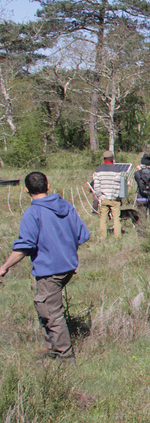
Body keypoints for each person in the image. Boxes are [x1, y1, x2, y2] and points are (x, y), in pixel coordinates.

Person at [0, 172, 90, 362]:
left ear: (26, 190)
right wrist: (68, 253)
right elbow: (82, 234)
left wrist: (5, 266)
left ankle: (64, 358)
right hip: (68, 267)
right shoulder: (66, 206)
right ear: (48, 186)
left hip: (50, 271)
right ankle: (51, 347)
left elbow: (25, 246)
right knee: (44, 305)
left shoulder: (32, 213)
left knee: (50, 311)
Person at [92, 150, 125, 239]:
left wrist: (100, 196)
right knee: (116, 218)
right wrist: (117, 196)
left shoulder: (98, 170)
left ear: (104, 159)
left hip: (103, 198)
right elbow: (120, 186)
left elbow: (96, 186)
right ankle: (117, 236)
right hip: (114, 199)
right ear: (112, 159)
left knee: (103, 218)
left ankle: (103, 236)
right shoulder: (117, 170)